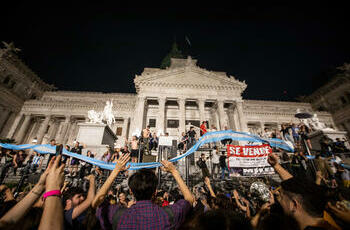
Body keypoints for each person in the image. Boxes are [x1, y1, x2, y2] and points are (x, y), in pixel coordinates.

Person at [92, 153, 194, 230]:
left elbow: (96, 202)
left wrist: (115, 171)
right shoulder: (168, 214)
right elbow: (189, 200)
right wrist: (174, 171)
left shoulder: (118, 215)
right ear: (155, 192)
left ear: (131, 191)